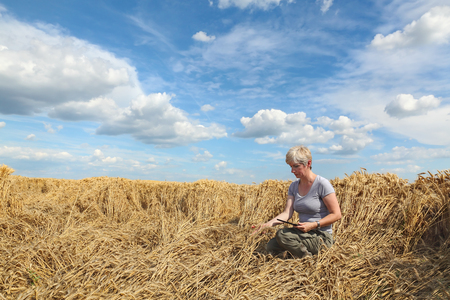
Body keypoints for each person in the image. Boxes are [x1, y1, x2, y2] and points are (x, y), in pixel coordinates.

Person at [252, 145, 341, 258]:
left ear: (308, 164)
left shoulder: (322, 184)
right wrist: (268, 224)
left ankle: (307, 259)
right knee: (271, 245)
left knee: (282, 235)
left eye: (296, 166)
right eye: (290, 166)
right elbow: (287, 213)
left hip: (321, 236)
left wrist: (313, 225)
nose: (292, 171)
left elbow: (337, 214)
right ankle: (298, 254)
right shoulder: (294, 186)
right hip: (304, 234)